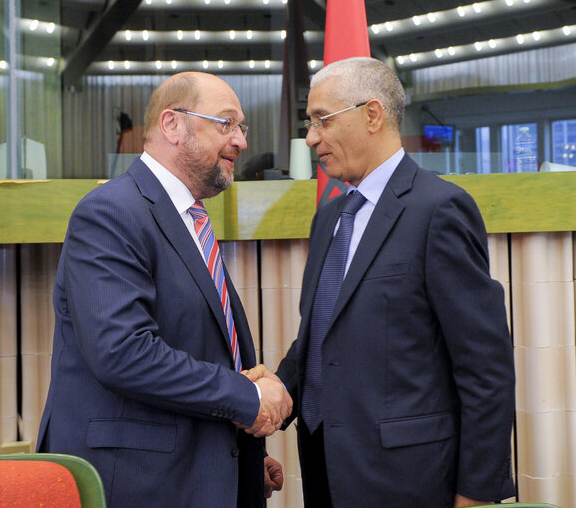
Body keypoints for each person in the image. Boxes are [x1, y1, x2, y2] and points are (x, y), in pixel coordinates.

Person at [246, 57, 516, 508]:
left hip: (409, 479)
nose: (311, 137)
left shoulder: (439, 210)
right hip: (325, 469)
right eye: (309, 122)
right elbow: (321, 338)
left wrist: (476, 492)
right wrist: (272, 389)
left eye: (321, 120)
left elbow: (485, 367)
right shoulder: (330, 215)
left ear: (372, 114)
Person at [37, 71, 292, 508]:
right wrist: (248, 397)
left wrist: (242, 462)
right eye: (226, 123)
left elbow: (198, 345)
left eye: (242, 127)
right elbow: (123, 352)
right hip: (137, 484)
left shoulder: (190, 217)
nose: (241, 142)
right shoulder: (110, 212)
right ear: (172, 125)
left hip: (197, 475)